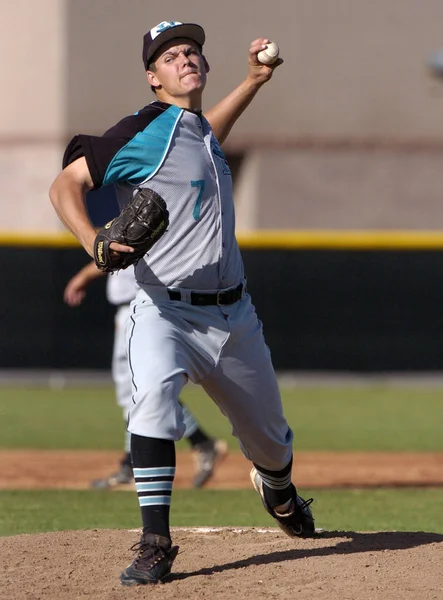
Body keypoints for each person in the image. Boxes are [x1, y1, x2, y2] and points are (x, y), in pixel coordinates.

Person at [49, 20, 315, 586]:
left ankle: (280, 492)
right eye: (169, 55)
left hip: (234, 317)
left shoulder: (196, 132)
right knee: (151, 408)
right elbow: (64, 186)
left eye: (191, 50)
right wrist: (92, 240)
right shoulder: (140, 131)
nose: (184, 58)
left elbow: (203, 134)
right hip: (165, 310)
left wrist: (254, 81)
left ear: (204, 66)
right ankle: (154, 543)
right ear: (153, 77)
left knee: (271, 444)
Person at [63, 260, 228, 489]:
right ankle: (191, 445)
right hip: (136, 310)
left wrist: (83, 275)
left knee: (141, 391)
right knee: (137, 392)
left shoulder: (146, 225)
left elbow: (111, 248)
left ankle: (137, 463)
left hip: (139, 308)